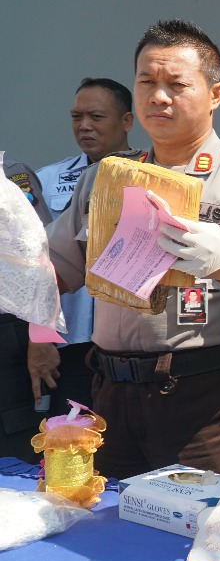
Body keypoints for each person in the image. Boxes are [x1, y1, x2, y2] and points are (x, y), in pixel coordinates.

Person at [45, 19, 220, 480]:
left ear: (215, 94)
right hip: (110, 394)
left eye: (176, 84)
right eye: (147, 82)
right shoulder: (105, 179)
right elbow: (55, 272)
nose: (159, 97)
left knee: (198, 534)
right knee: (109, 527)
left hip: (204, 396)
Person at [29, 78, 135, 418]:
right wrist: (40, 335)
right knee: (68, 444)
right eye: (76, 116)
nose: (84, 126)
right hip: (67, 343)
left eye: (96, 116)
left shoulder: (153, 176)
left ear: (127, 121)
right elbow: (33, 264)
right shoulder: (47, 179)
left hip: (130, 345)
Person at [1, 157, 52, 462]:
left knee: (16, 458)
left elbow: (43, 253)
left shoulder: (10, 175)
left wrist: (42, 334)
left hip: (8, 332)